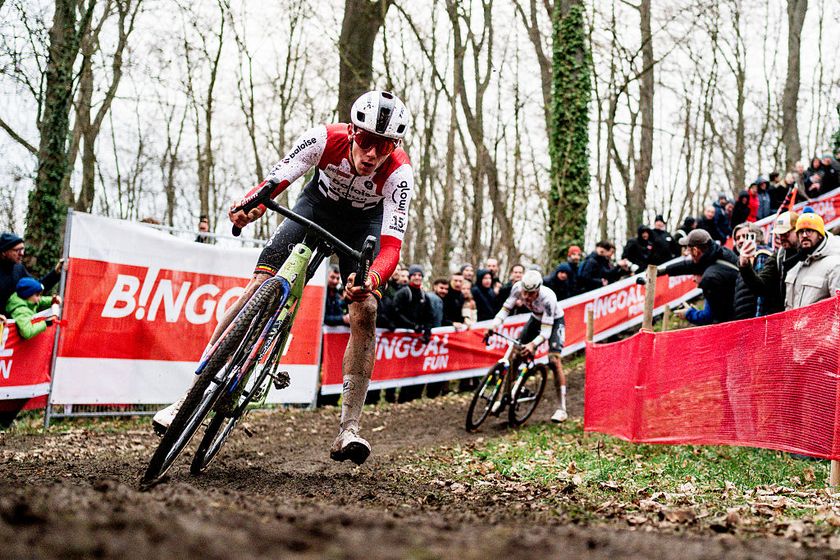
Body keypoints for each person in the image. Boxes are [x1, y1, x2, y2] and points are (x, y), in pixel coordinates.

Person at [152, 90, 414, 466]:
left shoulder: (399, 173)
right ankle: (186, 400)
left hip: (363, 228)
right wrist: (249, 206)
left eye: (383, 146)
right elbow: (275, 181)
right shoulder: (324, 138)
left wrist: (370, 278)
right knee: (258, 286)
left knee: (366, 309)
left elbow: (391, 247)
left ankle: (348, 429)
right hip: (316, 207)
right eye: (367, 141)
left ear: (395, 147)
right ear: (353, 133)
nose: (372, 154)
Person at [488, 270, 568, 423]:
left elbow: (546, 331)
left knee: (554, 360)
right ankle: (505, 397)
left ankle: (562, 408)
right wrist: (494, 325)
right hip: (535, 318)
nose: (526, 297)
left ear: (538, 289)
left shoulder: (548, 298)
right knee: (516, 355)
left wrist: (533, 344)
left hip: (554, 321)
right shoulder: (517, 287)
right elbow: (506, 309)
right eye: (524, 292)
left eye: (531, 294)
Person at [660, 229, 739, 324]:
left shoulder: (710, 279)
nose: (687, 252)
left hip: (733, 323)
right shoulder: (721, 253)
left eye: (688, 249)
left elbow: (709, 318)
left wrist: (689, 313)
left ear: (696, 250)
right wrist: (664, 270)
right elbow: (689, 265)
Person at [738, 211, 802, 317]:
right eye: (779, 234)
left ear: (798, 230)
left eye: (786, 233)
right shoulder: (778, 257)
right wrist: (745, 266)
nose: (782, 238)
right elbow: (760, 286)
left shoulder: (813, 254)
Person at [784, 213, 840, 310]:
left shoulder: (835, 265)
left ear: (820, 235)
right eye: (801, 232)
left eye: (809, 231)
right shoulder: (795, 263)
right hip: (793, 324)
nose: (804, 235)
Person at [0, 233, 62, 313]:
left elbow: (36, 287)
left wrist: (55, 273)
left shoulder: (18, 269)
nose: (22, 253)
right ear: (4, 252)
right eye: (17, 250)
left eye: (22, 249)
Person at [731, 223, 773, 320]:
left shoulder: (760, 255)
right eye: (737, 238)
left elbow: (761, 291)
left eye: (744, 236)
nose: (740, 240)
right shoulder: (742, 261)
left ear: (755, 237)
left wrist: (758, 320)